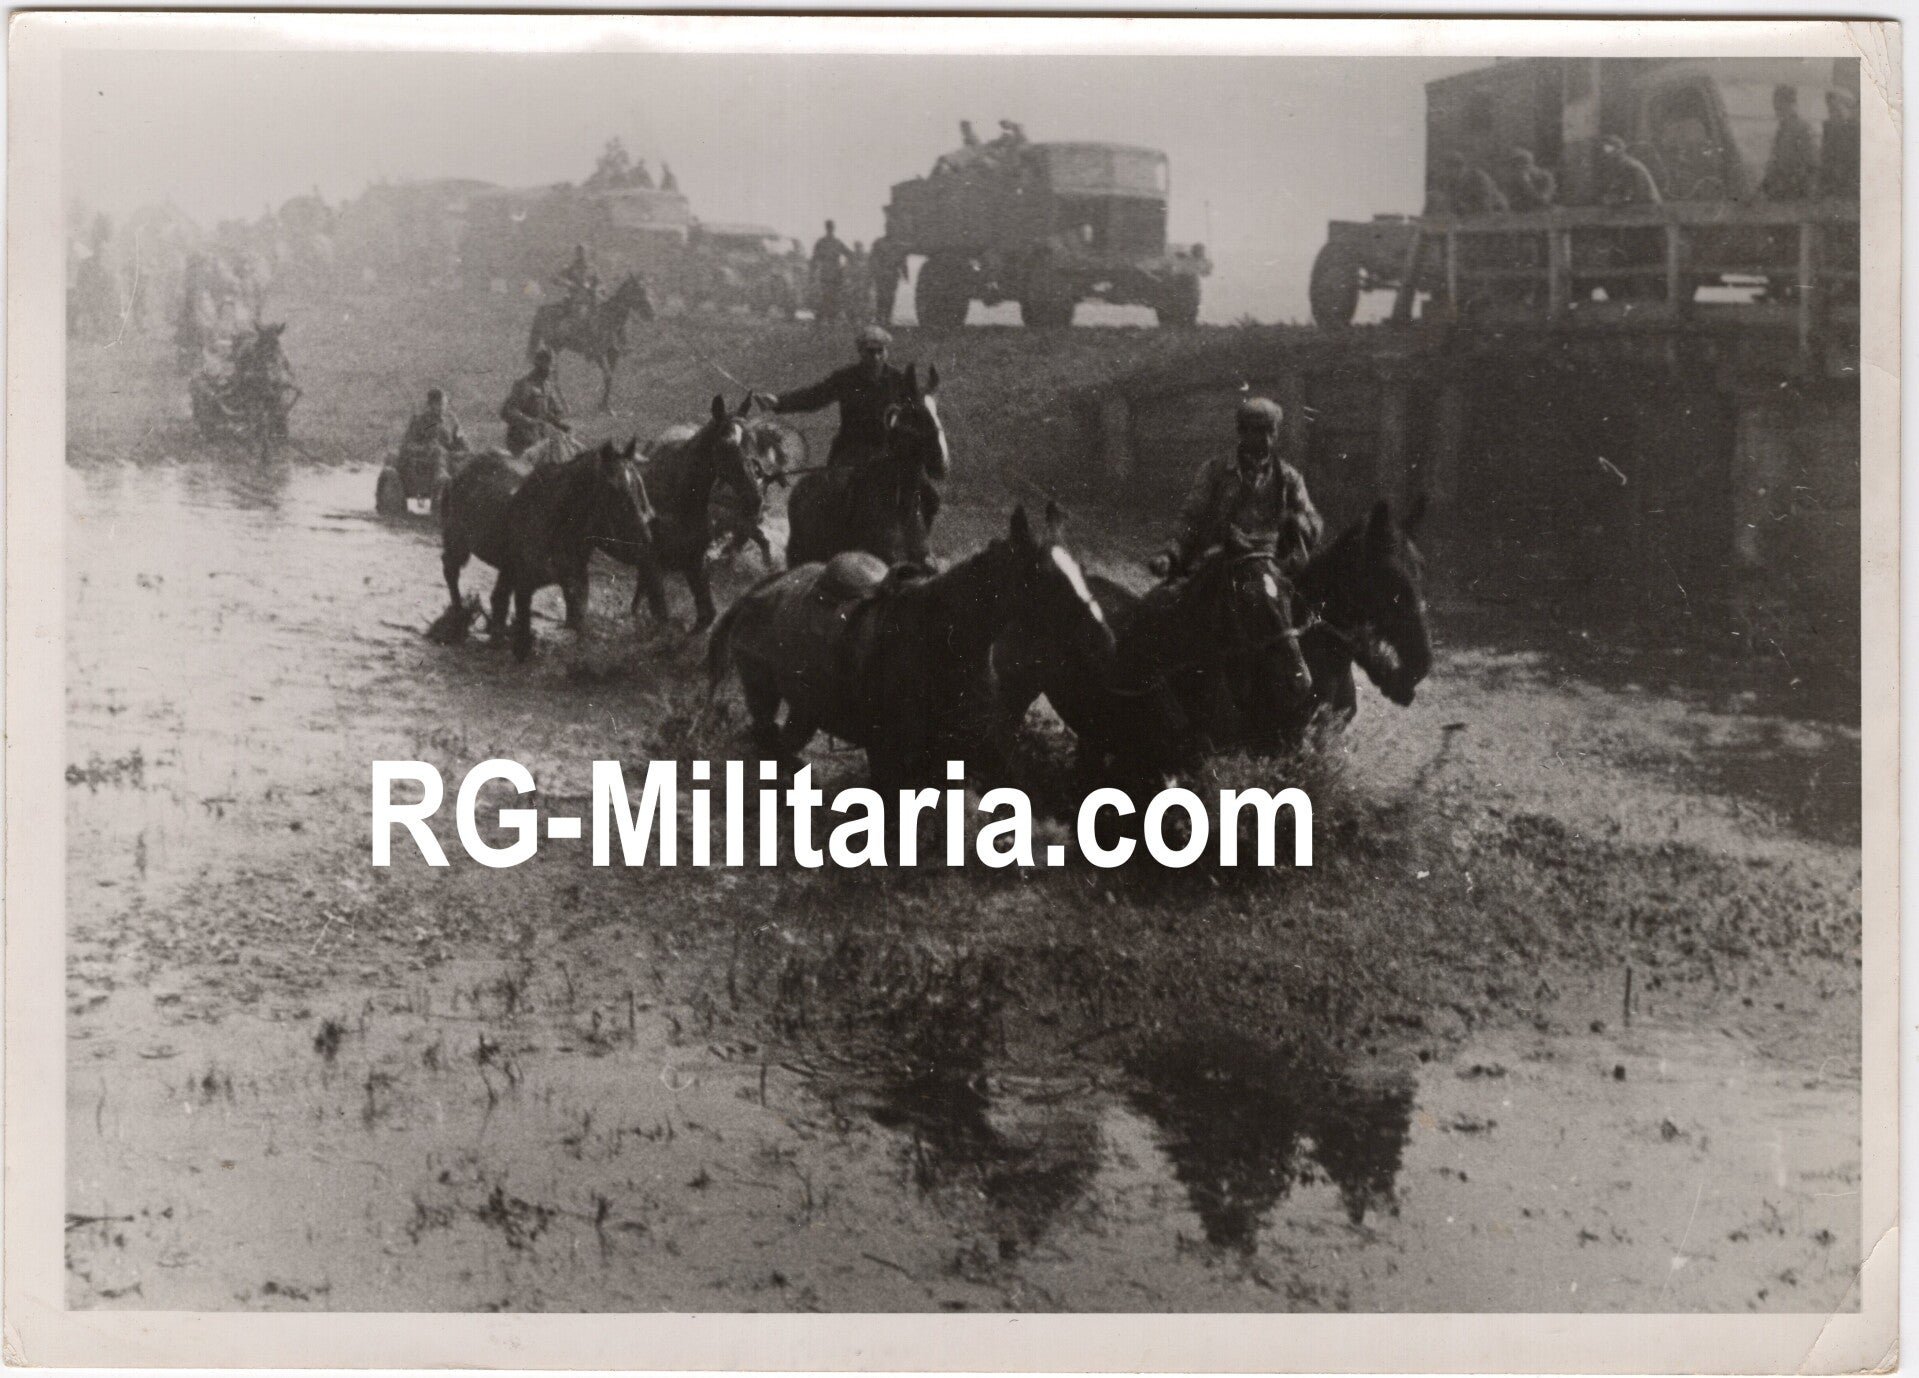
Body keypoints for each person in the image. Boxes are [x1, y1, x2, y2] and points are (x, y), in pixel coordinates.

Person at [1150, 397, 1322, 581]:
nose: (1266, 439)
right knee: (1166, 601)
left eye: (1271, 431)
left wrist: (1300, 523)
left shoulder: (1289, 477)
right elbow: (1190, 518)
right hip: (1221, 561)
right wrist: (1169, 553)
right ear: (1242, 431)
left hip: (1271, 564)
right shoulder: (1215, 471)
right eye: (1257, 431)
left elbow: (1311, 519)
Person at [751, 325, 909, 467]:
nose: (876, 357)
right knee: (836, 491)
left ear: (886, 352)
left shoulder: (899, 380)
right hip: (852, 452)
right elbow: (814, 397)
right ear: (860, 352)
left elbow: (916, 411)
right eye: (870, 351)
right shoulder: (846, 378)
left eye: (880, 351)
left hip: (890, 451)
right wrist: (778, 402)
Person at [500, 347, 571, 455]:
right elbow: (508, 411)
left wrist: (559, 424)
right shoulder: (524, 385)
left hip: (539, 438)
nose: (551, 370)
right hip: (522, 440)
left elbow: (548, 412)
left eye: (553, 367)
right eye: (549, 366)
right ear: (539, 365)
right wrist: (530, 421)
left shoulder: (547, 386)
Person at [1760, 84, 1818, 201]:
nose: (1777, 111)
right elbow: (1775, 162)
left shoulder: (1803, 129)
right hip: (1781, 191)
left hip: (1795, 194)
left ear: (1791, 104)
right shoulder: (1782, 129)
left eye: (1780, 106)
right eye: (1776, 106)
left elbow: (1812, 166)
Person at [402, 387, 468, 460]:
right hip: (427, 462)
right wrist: (426, 449)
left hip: (450, 460)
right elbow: (408, 445)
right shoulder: (418, 421)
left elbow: (462, 443)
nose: (442, 408)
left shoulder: (451, 419)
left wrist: (460, 452)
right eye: (438, 404)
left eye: (444, 404)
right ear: (430, 404)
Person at [1818, 88, 1860, 199]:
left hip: (1850, 190)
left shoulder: (1856, 131)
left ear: (1848, 109)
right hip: (1831, 189)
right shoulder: (1829, 129)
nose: (1833, 114)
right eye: (1830, 110)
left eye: (1837, 109)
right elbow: (1824, 160)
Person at [1598, 135, 1662, 205]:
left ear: (1620, 150)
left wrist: (1612, 199)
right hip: (1642, 205)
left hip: (1647, 206)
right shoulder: (1623, 164)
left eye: (1610, 151)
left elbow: (1631, 195)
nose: (1607, 155)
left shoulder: (1629, 165)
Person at [810, 220, 852, 324]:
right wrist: (812, 272)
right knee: (827, 296)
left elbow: (849, 255)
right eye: (830, 227)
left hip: (834, 274)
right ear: (828, 228)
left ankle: (830, 319)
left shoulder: (834, 242)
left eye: (831, 227)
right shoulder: (823, 242)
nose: (831, 229)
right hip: (828, 274)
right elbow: (814, 259)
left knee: (832, 296)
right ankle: (826, 318)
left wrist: (844, 268)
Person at [1443, 151, 1509, 215]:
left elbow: (1485, 203)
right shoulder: (1452, 182)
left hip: (1496, 208)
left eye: (1450, 168)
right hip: (1475, 212)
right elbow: (1450, 204)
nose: (1448, 172)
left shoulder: (1477, 177)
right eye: (1447, 168)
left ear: (1460, 167)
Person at [869, 233, 909, 326]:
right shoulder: (879, 242)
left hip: (891, 275)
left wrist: (905, 274)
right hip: (883, 274)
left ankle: (887, 318)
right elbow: (873, 258)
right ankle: (880, 317)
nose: (890, 229)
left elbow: (902, 261)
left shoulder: (898, 245)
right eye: (889, 227)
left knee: (890, 297)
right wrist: (875, 271)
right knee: (881, 296)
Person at [554, 244, 599, 323]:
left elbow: (600, 282)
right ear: (576, 253)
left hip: (590, 296)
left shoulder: (592, 269)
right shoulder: (570, 268)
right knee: (565, 308)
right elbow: (558, 279)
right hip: (573, 295)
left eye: (583, 252)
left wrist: (592, 287)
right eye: (579, 252)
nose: (581, 254)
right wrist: (569, 283)